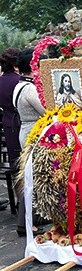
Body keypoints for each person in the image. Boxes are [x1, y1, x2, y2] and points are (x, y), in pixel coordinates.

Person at [14, 48, 47, 236]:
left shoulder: (21, 85)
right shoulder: (29, 88)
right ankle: (26, 223)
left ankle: (34, 217)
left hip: (27, 130)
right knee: (32, 178)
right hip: (33, 132)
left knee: (33, 176)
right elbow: (46, 111)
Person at [0, 48, 21, 211]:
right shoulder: (20, 81)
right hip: (20, 121)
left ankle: (20, 199)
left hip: (8, 123)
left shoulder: (0, 81)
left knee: (16, 164)